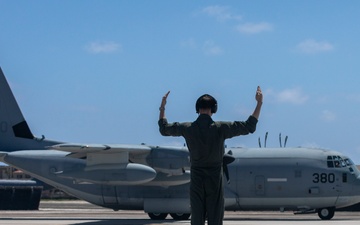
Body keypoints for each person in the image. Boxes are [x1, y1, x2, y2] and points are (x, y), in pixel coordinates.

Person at [158, 87, 263, 225]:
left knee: (196, 215)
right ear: (214, 109)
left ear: (197, 108)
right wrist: (259, 103)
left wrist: (162, 108)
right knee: (215, 216)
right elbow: (249, 126)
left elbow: (164, 129)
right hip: (214, 177)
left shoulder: (187, 128)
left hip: (196, 176)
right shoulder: (221, 128)